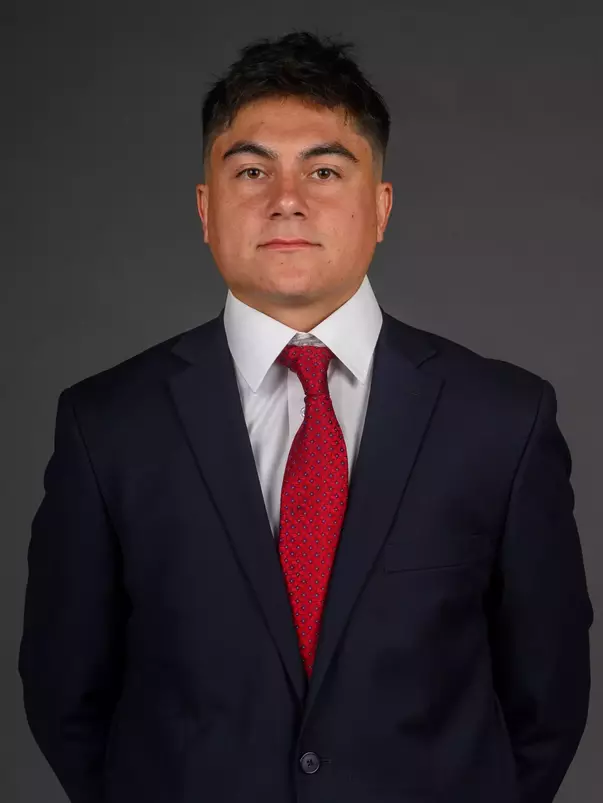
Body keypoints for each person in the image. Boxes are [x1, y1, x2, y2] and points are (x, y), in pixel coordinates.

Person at [19, 30, 593, 803]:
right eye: (251, 170)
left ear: (379, 206)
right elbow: (65, 686)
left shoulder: (502, 419)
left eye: (324, 170)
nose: (285, 199)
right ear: (205, 208)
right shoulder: (107, 424)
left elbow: (547, 692)